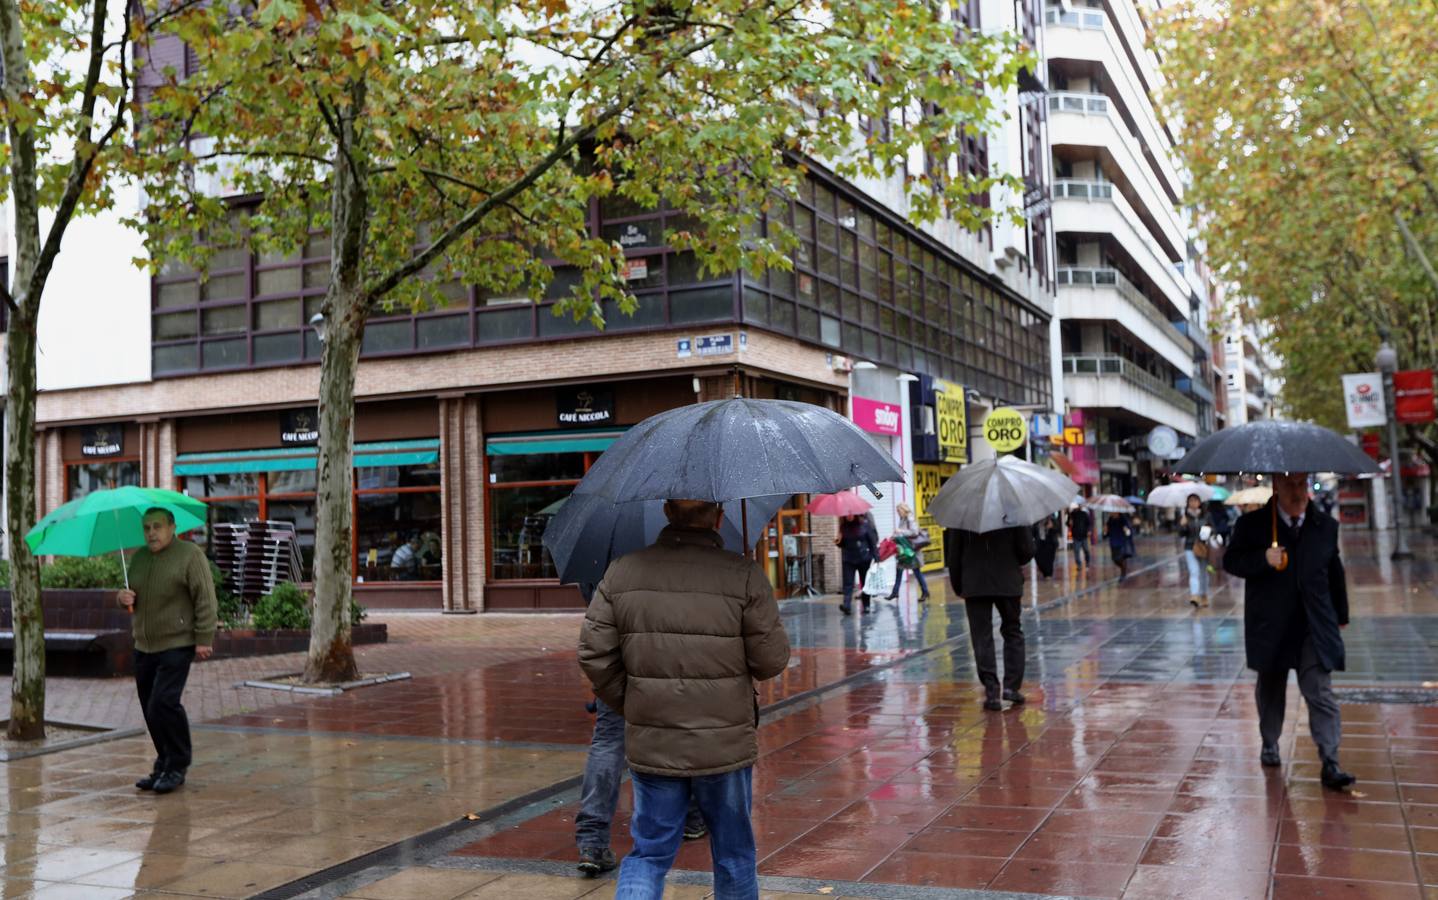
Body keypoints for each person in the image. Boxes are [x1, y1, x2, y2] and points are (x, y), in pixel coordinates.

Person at [579, 499, 791, 900]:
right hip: (724, 744)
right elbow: (771, 661)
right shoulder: (742, 573)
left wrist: (633, 703)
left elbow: (593, 654)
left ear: (666, 512)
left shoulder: (622, 571)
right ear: (720, 517)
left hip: (654, 742)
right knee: (734, 854)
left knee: (648, 855)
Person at [1223, 472, 1355, 791]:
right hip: (1272, 624)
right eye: (1290, 485)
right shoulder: (1252, 526)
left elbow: (1334, 573)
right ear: (1276, 486)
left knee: (1319, 690)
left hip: (1314, 625)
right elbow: (1231, 561)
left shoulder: (1325, 526)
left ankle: (1330, 761)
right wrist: (1262, 559)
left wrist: (1341, 615)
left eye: (1301, 484)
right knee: (1270, 688)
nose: (1297, 492)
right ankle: (1270, 742)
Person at [116, 508, 217, 796]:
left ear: (172, 527)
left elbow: (205, 597)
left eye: (157, 526)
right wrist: (121, 598)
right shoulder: (139, 558)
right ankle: (163, 763)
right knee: (150, 707)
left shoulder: (189, 555)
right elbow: (128, 594)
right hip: (144, 646)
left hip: (177, 643)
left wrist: (204, 637)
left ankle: (178, 765)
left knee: (164, 702)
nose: (151, 533)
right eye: (146, 527)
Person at [943, 525, 1035, 711]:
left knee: (981, 636)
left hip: (975, 583)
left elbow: (953, 554)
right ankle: (1011, 687)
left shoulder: (963, 514)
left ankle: (992, 690)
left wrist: (959, 585)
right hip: (1007, 580)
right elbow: (1027, 550)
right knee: (1013, 632)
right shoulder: (1012, 508)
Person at [885, 503, 931, 602]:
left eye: (899, 511)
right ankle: (895, 592)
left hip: (911, 551)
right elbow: (902, 534)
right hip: (905, 551)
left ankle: (925, 591)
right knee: (899, 570)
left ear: (903, 510)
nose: (898, 513)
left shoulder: (910, 518)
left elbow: (914, 532)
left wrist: (900, 531)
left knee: (917, 572)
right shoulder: (903, 519)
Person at [835, 512, 878, 615]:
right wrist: (838, 540)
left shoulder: (865, 525)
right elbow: (842, 544)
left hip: (863, 558)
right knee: (848, 583)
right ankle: (847, 606)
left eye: (851, 514)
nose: (849, 516)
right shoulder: (843, 527)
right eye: (847, 514)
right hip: (848, 559)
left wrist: (876, 557)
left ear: (855, 515)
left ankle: (866, 605)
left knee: (864, 583)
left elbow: (872, 542)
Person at [1179, 493, 1210, 607]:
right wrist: (1183, 525)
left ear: (1199, 502)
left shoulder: (1206, 516)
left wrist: (1209, 531)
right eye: (1191, 501)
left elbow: (1213, 529)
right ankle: (1194, 595)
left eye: (1196, 501)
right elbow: (1181, 534)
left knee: (1203, 572)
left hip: (1203, 547)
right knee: (1194, 571)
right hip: (1190, 547)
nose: (1193, 503)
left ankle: (1204, 595)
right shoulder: (1185, 517)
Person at [1104, 511, 1134, 581]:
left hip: (1121, 542)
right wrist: (1105, 531)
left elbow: (1129, 532)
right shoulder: (1110, 520)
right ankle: (1124, 567)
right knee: (1114, 559)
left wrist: (1126, 530)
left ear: (1117, 512)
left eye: (1112, 512)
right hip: (1113, 542)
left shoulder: (1123, 519)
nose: (1110, 513)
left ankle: (1123, 574)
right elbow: (1107, 534)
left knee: (1119, 558)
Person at [1067, 504, 1092, 570]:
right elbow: (1068, 524)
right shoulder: (1072, 514)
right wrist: (1069, 523)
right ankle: (1079, 565)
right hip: (1076, 536)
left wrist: (1089, 530)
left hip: (1084, 536)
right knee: (1076, 551)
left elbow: (1089, 523)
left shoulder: (1084, 514)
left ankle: (1087, 563)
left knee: (1086, 550)